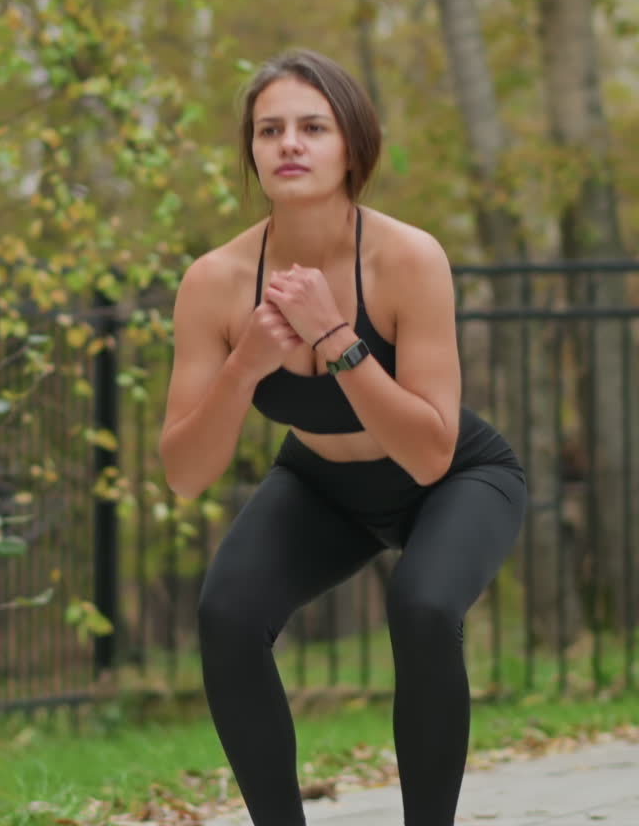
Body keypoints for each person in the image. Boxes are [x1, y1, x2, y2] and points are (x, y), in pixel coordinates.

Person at [159, 49, 527, 826]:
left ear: (351, 147)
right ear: (252, 154)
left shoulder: (407, 259)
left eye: (312, 127)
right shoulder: (216, 282)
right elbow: (186, 473)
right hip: (323, 483)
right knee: (226, 615)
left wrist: (335, 335)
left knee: (424, 606)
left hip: (457, 478)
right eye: (270, 130)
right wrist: (247, 366)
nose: (288, 143)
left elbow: (429, 451)